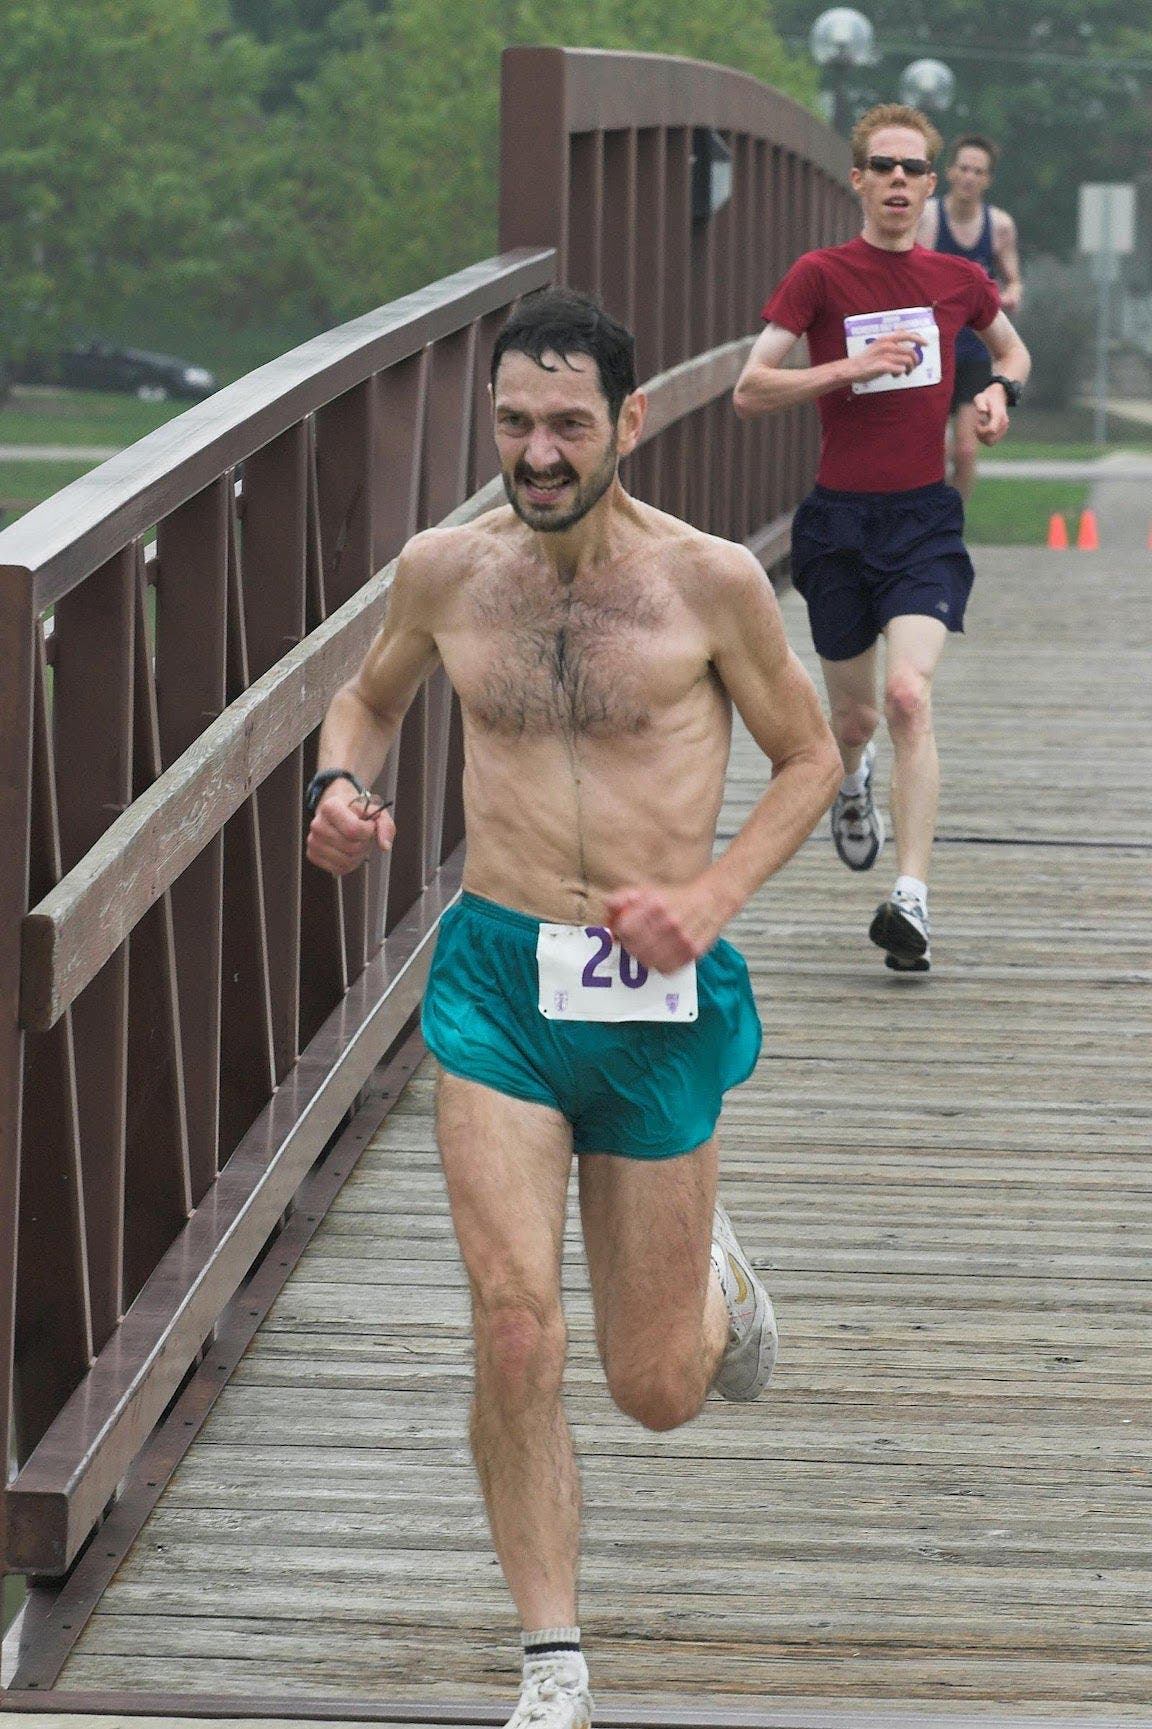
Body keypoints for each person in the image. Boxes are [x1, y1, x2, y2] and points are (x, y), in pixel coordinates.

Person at [306, 288, 842, 1729]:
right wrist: (336, 789)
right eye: (513, 425)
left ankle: (716, 1292)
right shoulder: (445, 572)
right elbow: (361, 704)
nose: (536, 455)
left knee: (655, 1386)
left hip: (660, 987)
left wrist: (711, 901)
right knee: (514, 1325)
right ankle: (553, 1660)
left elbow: (810, 758)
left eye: (565, 425)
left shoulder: (708, 583)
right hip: (498, 984)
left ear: (630, 420)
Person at [733, 103, 1030, 975]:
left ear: (931, 184)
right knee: (855, 715)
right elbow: (751, 390)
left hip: (923, 519)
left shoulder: (956, 279)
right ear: (858, 181)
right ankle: (851, 777)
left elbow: (1012, 353)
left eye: (913, 168)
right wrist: (849, 368)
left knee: (907, 696)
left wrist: (998, 396)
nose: (898, 180)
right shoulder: (820, 276)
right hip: (837, 522)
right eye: (882, 166)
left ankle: (911, 899)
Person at [918, 134, 1023, 499]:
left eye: (977, 171)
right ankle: (927, 518)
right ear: (949, 172)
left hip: (975, 351)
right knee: (930, 452)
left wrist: (1010, 296)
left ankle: (952, 524)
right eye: (963, 168)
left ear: (987, 180)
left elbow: (1013, 281)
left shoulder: (999, 226)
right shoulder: (929, 217)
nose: (968, 177)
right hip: (932, 348)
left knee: (965, 450)